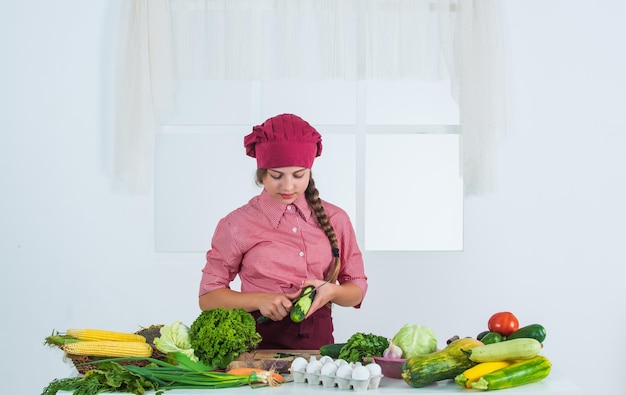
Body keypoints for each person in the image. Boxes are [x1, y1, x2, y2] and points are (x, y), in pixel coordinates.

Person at [198, 113, 368, 349]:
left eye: (299, 175)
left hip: (319, 354)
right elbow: (208, 297)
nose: (288, 186)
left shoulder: (336, 219)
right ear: (262, 174)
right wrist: (259, 299)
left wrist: (331, 292)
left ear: (310, 171)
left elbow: (356, 288)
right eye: (277, 176)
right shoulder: (236, 224)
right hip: (254, 351)